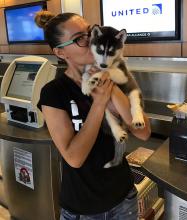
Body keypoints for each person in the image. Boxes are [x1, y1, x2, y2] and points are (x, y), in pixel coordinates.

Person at [35, 10, 151, 220]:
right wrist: (99, 104)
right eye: (79, 39)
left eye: (90, 33)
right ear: (61, 53)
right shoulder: (54, 93)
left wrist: (111, 86)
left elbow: (143, 133)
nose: (90, 41)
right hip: (83, 208)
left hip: (124, 199)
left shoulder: (115, 76)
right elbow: (74, 158)